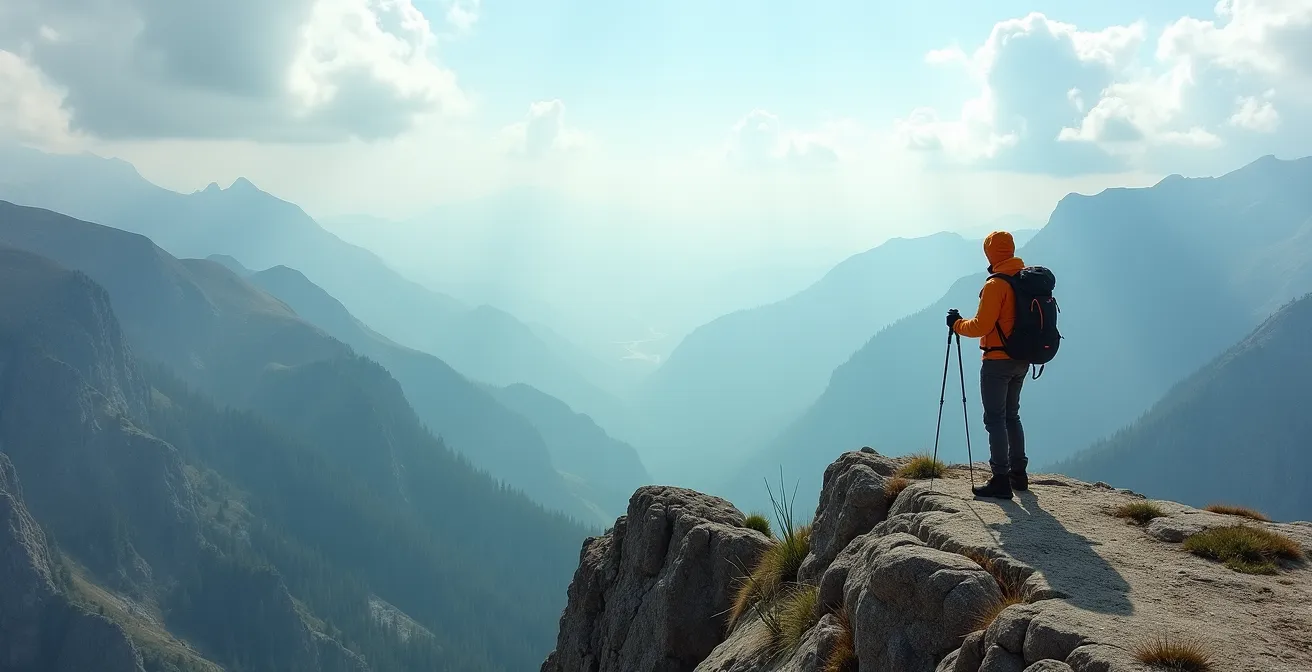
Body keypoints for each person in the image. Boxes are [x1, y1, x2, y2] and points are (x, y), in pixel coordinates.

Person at [947, 230, 1028, 500]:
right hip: (1022, 359)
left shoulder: (996, 284)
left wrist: (957, 324)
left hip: (997, 361)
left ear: (990, 254)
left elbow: (982, 325)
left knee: (995, 419)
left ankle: (1000, 480)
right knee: (1012, 416)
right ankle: (1019, 474)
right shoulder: (1024, 279)